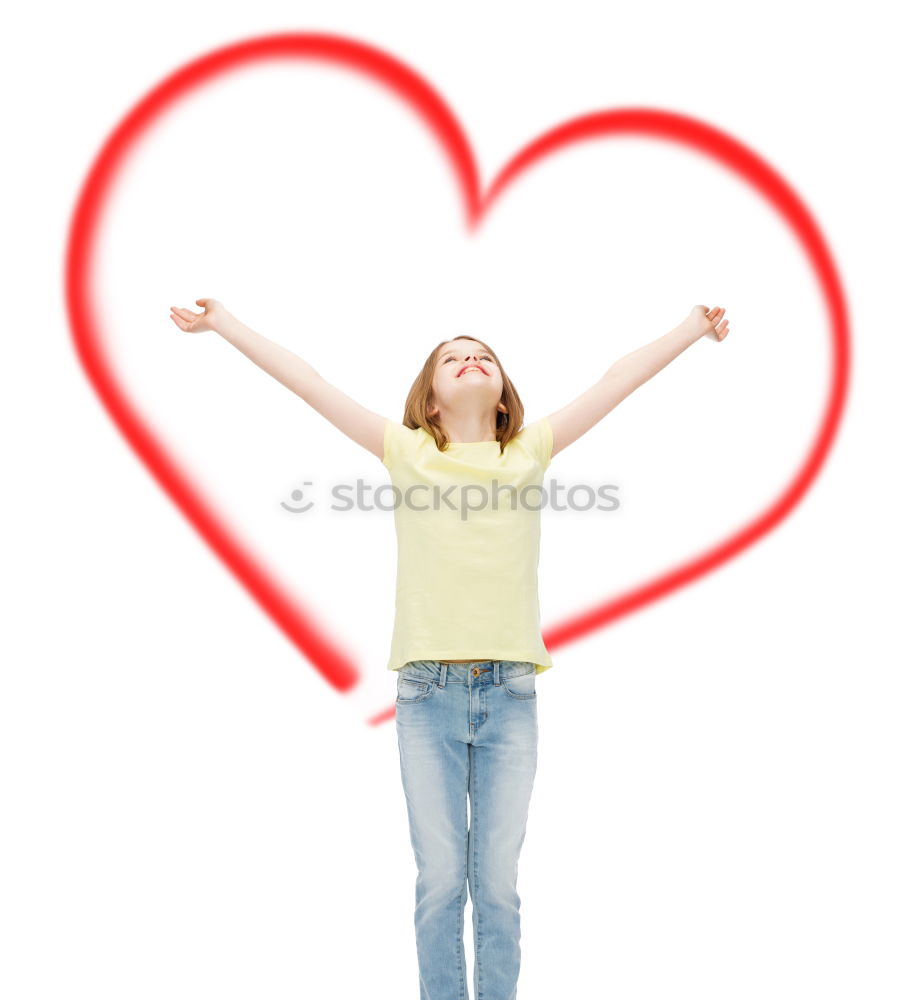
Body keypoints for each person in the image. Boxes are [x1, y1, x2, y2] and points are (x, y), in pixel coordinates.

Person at [168, 298, 730, 1000]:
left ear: (502, 401)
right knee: (439, 882)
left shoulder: (529, 451)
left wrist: (691, 328)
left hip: (511, 695)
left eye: (483, 355)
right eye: (451, 357)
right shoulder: (408, 452)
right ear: (430, 403)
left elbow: (618, 380)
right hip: (427, 697)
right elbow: (309, 383)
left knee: (497, 885)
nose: (470, 359)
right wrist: (224, 325)